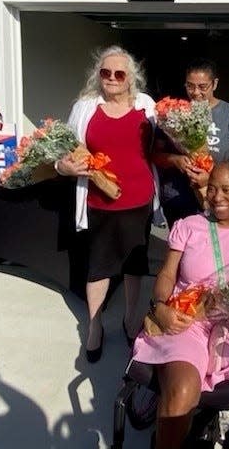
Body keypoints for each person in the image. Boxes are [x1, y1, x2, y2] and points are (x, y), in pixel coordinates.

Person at [131, 161, 229, 448]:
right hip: (187, 321)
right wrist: (160, 306)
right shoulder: (189, 226)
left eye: (226, 189)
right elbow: (166, 274)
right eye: (212, 188)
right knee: (183, 389)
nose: (217, 197)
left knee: (188, 393)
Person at [55, 45, 159, 363]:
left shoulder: (146, 106)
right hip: (99, 200)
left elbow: (158, 149)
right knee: (98, 267)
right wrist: (65, 167)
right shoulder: (86, 106)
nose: (111, 78)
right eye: (105, 72)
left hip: (139, 198)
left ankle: (130, 320)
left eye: (119, 73)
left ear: (131, 78)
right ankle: (95, 326)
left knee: (133, 265)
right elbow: (63, 151)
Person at [153, 58, 229, 226]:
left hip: (218, 199)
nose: (196, 92)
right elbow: (155, 154)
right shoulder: (174, 112)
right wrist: (176, 160)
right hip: (178, 197)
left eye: (203, 87)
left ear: (215, 84)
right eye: (190, 86)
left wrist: (211, 175)